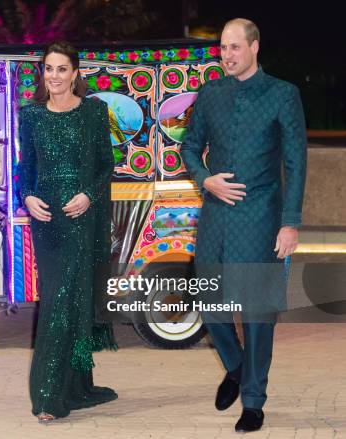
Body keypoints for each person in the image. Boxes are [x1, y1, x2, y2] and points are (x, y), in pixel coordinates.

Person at [180, 18, 306, 433]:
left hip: (260, 219)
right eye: (222, 48)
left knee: (256, 315)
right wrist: (205, 179)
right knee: (209, 301)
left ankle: (253, 401)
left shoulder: (283, 95)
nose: (226, 55)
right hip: (216, 217)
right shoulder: (211, 93)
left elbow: (295, 163)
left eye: (234, 47)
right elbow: (190, 146)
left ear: (254, 47)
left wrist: (290, 224)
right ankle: (234, 366)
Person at [18, 41, 118, 422]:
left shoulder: (94, 112)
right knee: (59, 302)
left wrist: (89, 196)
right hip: (47, 222)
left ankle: (61, 392)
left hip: (81, 220)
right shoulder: (31, 116)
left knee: (70, 303)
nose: (54, 76)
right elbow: (25, 170)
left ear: (75, 73)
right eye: (48, 69)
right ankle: (57, 392)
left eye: (62, 69)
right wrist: (27, 197)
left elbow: (105, 167)